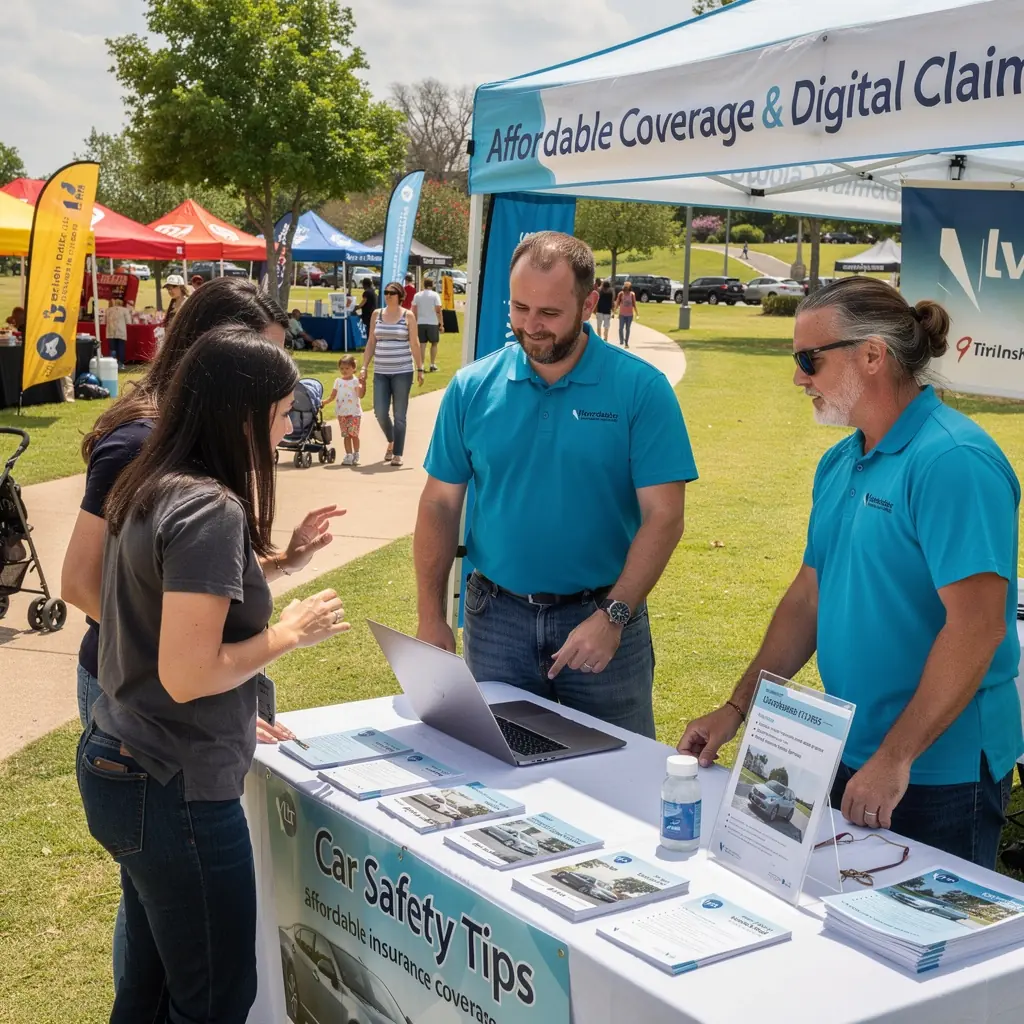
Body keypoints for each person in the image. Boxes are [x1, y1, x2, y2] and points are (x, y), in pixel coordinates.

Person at [677, 278, 1022, 869]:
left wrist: (894, 758)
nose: (798, 378)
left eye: (809, 359)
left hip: (936, 772)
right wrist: (736, 709)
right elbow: (810, 597)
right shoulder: (841, 460)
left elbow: (978, 627)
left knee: (927, 952)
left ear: (871, 354)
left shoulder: (953, 463)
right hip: (850, 754)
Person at [61, 279, 341, 992]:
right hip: (172, 779)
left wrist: (280, 563)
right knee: (215, 995)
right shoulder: (204, 503)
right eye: (281, 414)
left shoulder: (155, 478)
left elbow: (168, 602)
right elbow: (187, 672)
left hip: (124, 759)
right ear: (240, 413)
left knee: (154, 987)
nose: (287, 430)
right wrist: (289, 632)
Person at [414, 231, 697, 737]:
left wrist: (613, 616)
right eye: (520, 308)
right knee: (497, 776)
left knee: (618, 781)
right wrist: (431, 615)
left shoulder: (641, 389)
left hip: (602, 615)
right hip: (495, 619)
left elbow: (665, 515)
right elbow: (438, 504)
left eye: (549, 313)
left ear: (590, 303)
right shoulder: (472, 387)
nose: (530, 327)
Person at [363, 280, 424, 467]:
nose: (388, 295)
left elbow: (414, 343)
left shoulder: (408, 316)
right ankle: (392, 440)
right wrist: (364, 366)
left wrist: (420, 368)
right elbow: (371, 342)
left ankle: (398, 453)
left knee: (399, 414)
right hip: (381, 371)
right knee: (380, 412)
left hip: (402, 371)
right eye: (386, 292)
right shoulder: (377, 314)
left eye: (392, 293)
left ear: (400, 296)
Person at [326, 354, 367, 465]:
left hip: (354, 413)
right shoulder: (338, 381)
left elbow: (360, 394)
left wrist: (362, 385)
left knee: (354, 435)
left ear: (354, 368)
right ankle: (348, 455)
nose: (344, 371)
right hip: (341, 413)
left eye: (347, 368)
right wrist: (324, 402)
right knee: (346, 435)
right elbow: (333, 396)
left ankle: (356, 453)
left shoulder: (355, 381)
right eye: (342, 368)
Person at [411, 277, 444, 372]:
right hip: (432, 322)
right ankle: (432, 364)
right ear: (432, 285)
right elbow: (438, 310)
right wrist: (441, 323)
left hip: (420, 322)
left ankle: (421, 365)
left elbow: (414, 310)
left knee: (422, 344)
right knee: (434, 344)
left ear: (423, 285)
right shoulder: (435, 295)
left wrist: (414, 321)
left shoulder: (417, 295)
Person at [105, 297, 131, 369]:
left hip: (111, 331)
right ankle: (121, 364)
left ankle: (112, 364)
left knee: (112, 348)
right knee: (121, 347)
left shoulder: (108, 310)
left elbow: (104, 321)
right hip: (121, 331)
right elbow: (129, 322)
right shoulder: (125, 310)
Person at [614, 280, 638, 348]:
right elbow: (617, 303)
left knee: (628, 328)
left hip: (630, 315)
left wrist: (637, 313)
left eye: (627, 287)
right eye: (625, 287)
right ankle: (621, 340)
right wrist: (614, 311)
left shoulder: (632, 294)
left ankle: (626, 342)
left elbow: (634, 304)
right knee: (620, 328)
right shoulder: (621, 294)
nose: (626, 289)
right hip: (622, 314)